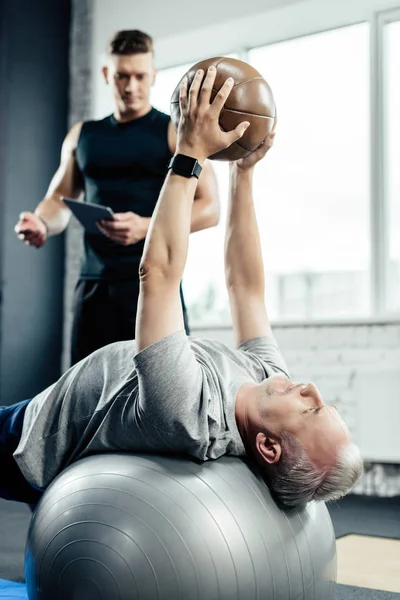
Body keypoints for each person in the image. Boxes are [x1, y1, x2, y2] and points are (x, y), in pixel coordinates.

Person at [2, 66, 363, 509]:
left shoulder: (192, 414)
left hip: (26, 442)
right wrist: (243, 175)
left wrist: (190, 153)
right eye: (325, 402)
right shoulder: (269, 380)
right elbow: (245, 287)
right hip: (50, 410)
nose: (311, 389)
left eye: (312, 410)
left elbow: (157, 274)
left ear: (269, 447)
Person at [14, 30, 219, 365]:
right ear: (107, 74)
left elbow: (210, 208)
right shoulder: (83, 135)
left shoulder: (175, 132)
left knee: (159, 397)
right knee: (85, 399)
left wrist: (146, 227)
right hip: (93, 289)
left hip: (155, 288)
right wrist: (41, 222)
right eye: (122, 76)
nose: (131, 86)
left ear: (153, 76)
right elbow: (58, 200)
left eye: (140, 76)